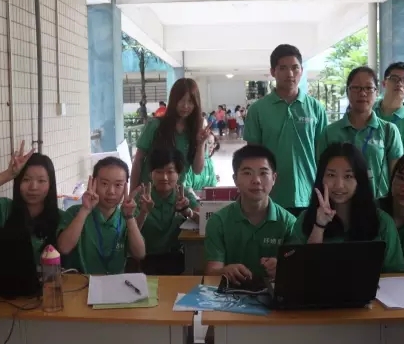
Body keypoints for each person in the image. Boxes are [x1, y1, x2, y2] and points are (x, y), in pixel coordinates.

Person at [244, 44, 328, 215]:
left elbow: (323, 155)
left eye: (295, 68)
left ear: (301, 71)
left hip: (310, 194)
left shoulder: (316, 108)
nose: (290, 74)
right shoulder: (258, 110)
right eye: (283, 68)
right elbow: (252, 157)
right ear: (273, 72)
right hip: (270, 196)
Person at [295, 143, 404, 273]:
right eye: (331, 175)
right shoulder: (305, 219)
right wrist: (319, 226)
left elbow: (396, 273)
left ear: (360, 180)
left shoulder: (383, 222)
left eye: (348, 176)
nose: (339, 185)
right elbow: (300, 271)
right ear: (321, 178)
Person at [205, 145, 297, 282]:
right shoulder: (218, 222)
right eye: (247, 173)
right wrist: (225, 271)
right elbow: (211, 273)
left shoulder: (289, 223)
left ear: (274, 178)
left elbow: (298, 273)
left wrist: (282, 268)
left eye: (263, 173)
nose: (256, 180)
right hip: (231, 292)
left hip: (274, 293)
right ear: (235, 179)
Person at [0, 141, 62, 266]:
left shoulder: (62, 218)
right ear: (18, 182)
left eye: (41, 181)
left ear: (51, 185)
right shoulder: (4, 209)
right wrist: (9, 174)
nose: (33, 187)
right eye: (26, 179)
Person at [318, 66, 403, 198]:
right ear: (347, 91)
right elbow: (322, 174)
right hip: (340, 203)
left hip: (378, 204)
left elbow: (396, 175)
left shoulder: (389, 130)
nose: (362, 93)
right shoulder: (330, 132)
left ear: (376, 92)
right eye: (356, 88)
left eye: (368, 88)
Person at [56, 157, 145, 274]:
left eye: (118, 185)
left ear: (125, 187)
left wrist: (129, 217)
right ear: (93, 182)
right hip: (81, 282)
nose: (111, 191)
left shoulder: (127, 216)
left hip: (116, 282)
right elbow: (63, 248)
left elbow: (140, 254)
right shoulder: (75, 212)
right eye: (104, 184)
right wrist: (85, 210)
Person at [130, 78, 212, 191]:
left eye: (190, 101)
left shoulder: (196, 131)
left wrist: (201, 144)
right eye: (181, 100)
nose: (185, 106)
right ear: (173, 101)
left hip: (175, 195)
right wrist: (132, 192)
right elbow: (138, 160)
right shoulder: (155, 125)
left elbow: (197, 170)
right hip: (149, 193)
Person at [133, 148, 200, 275]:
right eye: (159, 171)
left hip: (177, 258)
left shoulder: (184, 195)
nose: (164, 177)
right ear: (150, 174)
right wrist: (143, 213)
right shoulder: (140, 197)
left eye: (170, 172)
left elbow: (205, 221)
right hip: (145, 259)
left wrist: (187, 211)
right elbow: (130, 232)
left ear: (178, 175)